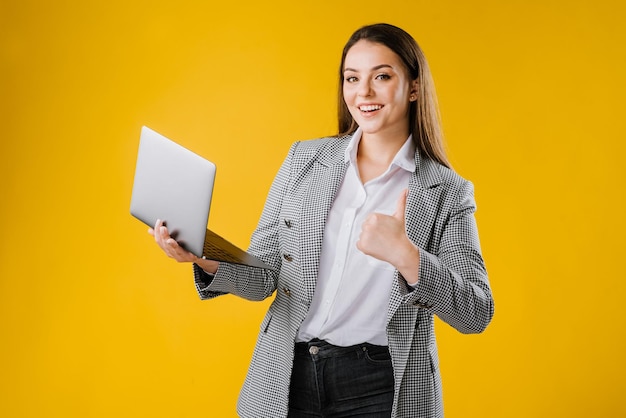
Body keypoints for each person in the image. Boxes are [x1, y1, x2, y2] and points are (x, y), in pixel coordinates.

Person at [149, 23, 494, 418]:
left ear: (414, 87)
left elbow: (476, 312)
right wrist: (202, 257)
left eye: (381, 76)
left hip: (381, 389)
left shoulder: (447, 190)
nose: (363, 93)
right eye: (352, 78)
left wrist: (406, 255)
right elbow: (266, 275)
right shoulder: (304, 160)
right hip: (286, 374)